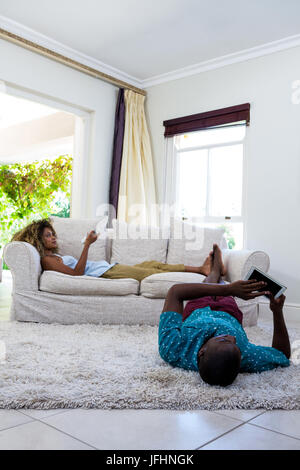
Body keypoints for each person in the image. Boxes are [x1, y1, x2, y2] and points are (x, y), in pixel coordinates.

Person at [159, 244, 290, 387]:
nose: (232, 338)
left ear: (201, 351)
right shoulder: (246, 355)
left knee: (209, 284)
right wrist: (277, 312)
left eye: (223, 340)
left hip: (197, 310)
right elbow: (282, 355)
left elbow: (175, 292)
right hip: (228, 313)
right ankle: (217, 272)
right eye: (236, 344)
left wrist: (229, 289)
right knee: (220, 287)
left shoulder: (173, 349)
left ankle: (214, 271)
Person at [11, 218, 214, 281]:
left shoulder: (54, 256)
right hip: (106, 273)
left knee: (152, 264)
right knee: (151, 272)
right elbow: (77, 273)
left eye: (52, 233)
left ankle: (199, 269)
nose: (53, 237)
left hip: (109, 267)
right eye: (48, 235)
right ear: (38, 240)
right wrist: (87, 245)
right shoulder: (47, 261)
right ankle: (202, 271)